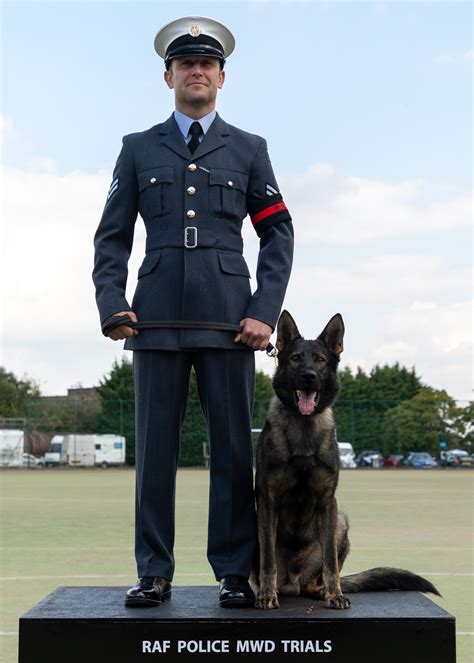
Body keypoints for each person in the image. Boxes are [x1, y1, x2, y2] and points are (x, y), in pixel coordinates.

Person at [92, 16, 294, 608]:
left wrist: (264, 310)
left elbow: (277, 233)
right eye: (186, 65)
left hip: (231, 323)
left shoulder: (250, 150)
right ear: (168, 76)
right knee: (154, 455)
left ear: (222, 77)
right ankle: (154, 571)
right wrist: (112, 304)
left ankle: (234, 571)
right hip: (152, 321)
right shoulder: (137, 149)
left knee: (232, 453)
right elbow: (111, 238)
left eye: (207, 65)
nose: (197, 72)